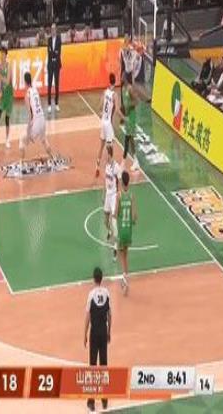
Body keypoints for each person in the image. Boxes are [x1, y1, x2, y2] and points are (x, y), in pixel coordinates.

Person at [84, 267, 111, 412]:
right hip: (103, 331)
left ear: (94, 278)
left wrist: (84, 334)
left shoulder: (91, 295)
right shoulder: (106, 293)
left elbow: (88, 316)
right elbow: (110, 314)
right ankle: (105, 399)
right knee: (104, 366)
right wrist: (109, 331)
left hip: (94, 333)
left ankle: (91, 401)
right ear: (102, 278)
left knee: (93, 366)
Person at [20, 71, 54, 164]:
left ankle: (21, 163)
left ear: (25, 82)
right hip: (42, 119)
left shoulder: (27, 95)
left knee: (22, 139)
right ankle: (53, 158)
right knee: (44, 140)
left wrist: (28, 131)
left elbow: (30, 115)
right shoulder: (35, 90)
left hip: (36, 122)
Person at [95, 73, 124, 177]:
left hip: (103, 121)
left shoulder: (105, 92)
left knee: (101, 146)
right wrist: (124, 118)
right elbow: (117, 110)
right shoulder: (115, 95)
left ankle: (97, 167)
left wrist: (102, 113)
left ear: (109, 81)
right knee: (110, 147)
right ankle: (110, 169)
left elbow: (99, 106)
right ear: (115, 82)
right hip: (108, 124)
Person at [114, 171, 137, 296]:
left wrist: (115, 215)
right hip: (129, 231)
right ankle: (125, 277)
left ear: (122, 182)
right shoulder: (132, 196)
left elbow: (116, 213)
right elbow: (134, 217)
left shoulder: (119, 195)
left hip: (121, 230)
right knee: (125, 256)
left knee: (119, 254)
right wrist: (132, 221)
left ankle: (124, 279)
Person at [0, 47, 14, 148]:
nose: (1, 56)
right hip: (3, 95)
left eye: (3, 54)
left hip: (9, 95)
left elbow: (8, 81)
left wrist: (0, 76)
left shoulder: (9, 66)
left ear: (6, 55)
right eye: (0, 54)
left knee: (7, 119)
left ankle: (7, 139)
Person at [103, 146, 121, 258]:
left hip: (114, 195)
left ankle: (115, 246)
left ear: (109, 154)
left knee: (114, 221)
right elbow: (105, 180)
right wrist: (103, 193)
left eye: (106, 153)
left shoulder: (116, 167)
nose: (105, 155)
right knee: (105, 220)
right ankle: (109, 231)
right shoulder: (106, 166)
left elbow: (119, 180)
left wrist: (118, 195)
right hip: (107, 195)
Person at [122, 80, 140, 171]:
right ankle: (136, 161)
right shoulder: (125, 88)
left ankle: (123, 161)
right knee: (131, 139)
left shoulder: (130, 89)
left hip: (131, 117)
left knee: (127, 138)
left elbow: (136, 101)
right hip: (128, 116)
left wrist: (129, 106)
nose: (121, 78)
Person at [47, 23, 62, 113]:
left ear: (56, 30)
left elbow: (58, 52)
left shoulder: (59, 39)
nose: (53, 31)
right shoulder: (49, 40)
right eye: (51, 29)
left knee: (56, 84)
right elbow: (49, 52)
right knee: (49, 85)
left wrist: (53, 53)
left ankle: (56, 104)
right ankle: (49, 104)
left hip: (57, 64)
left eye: (54, 29)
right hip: (50, 64)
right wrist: (53, 53)